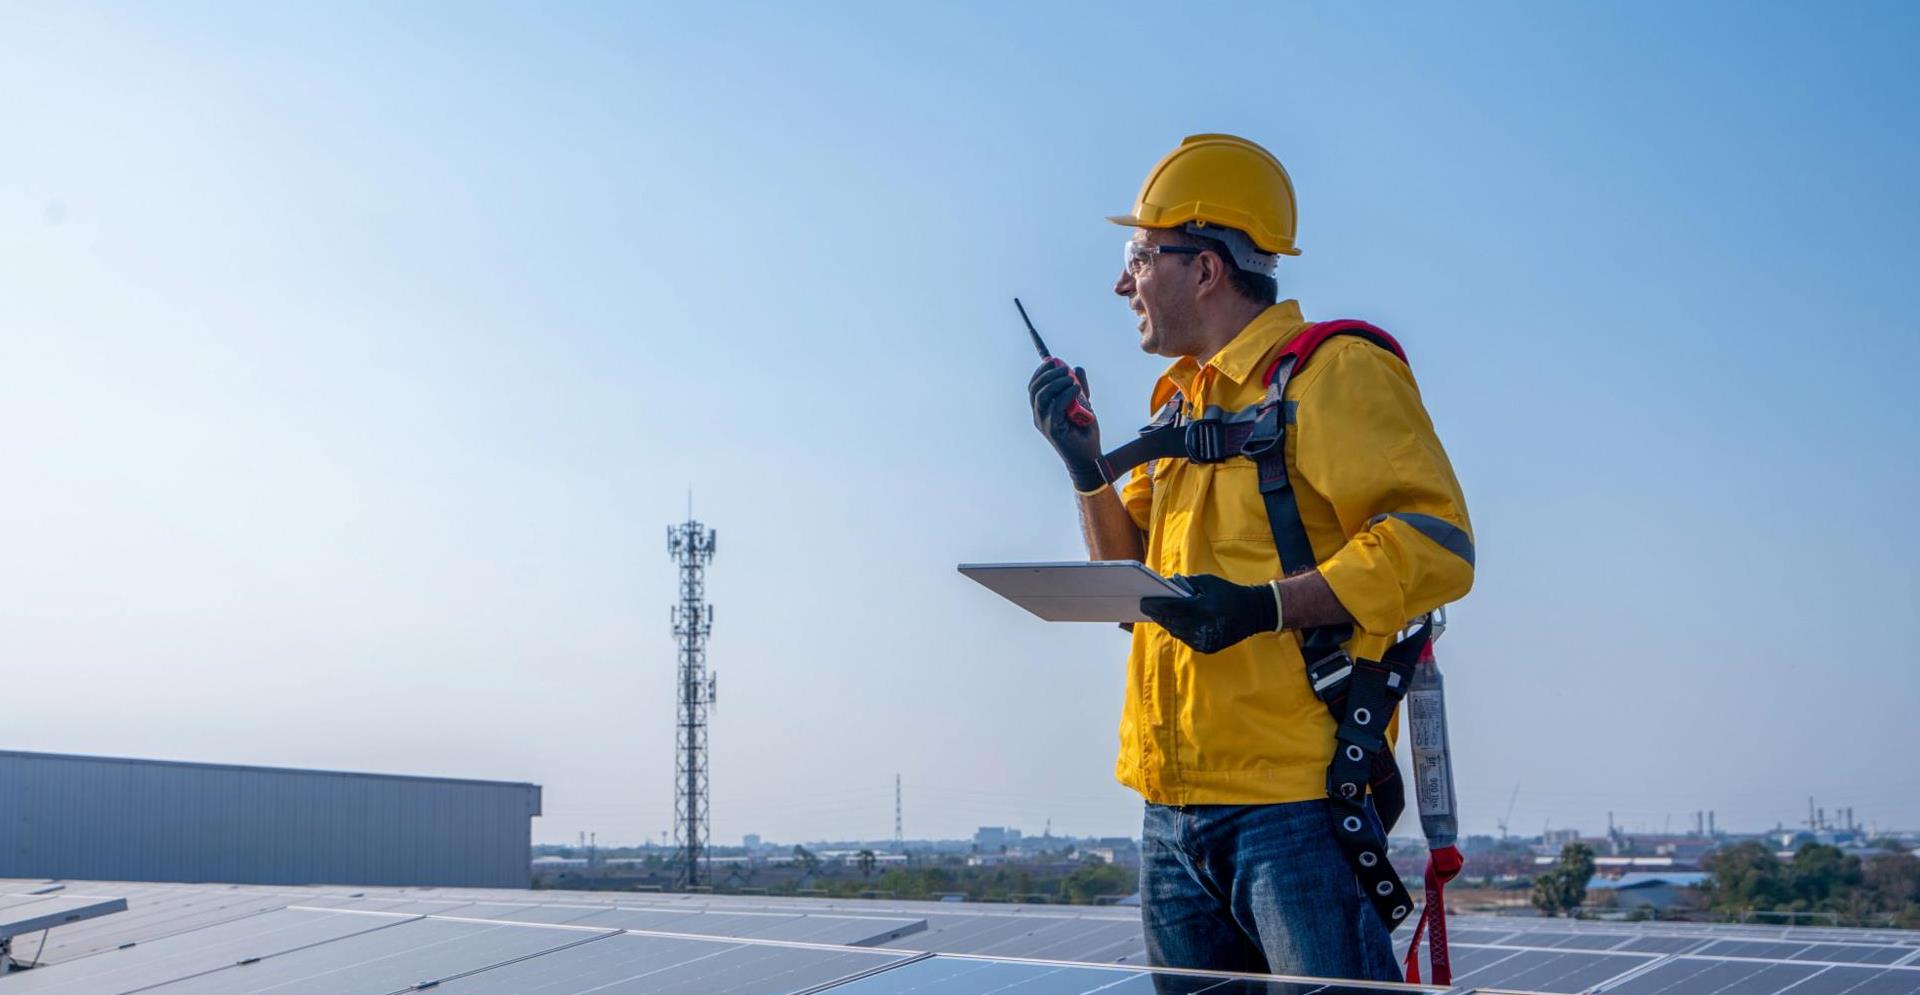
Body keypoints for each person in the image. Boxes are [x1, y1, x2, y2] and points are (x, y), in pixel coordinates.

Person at [1026, 133, 1474, 983]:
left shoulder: (1333, 375)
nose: (1124, 283)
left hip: (1292, 811)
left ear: (1206, 268)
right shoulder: (1181, 401)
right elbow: (1134, 594)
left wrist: (1263, 604)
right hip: (1169, 812)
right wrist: (1084, 468)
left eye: (1140, 256)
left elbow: (1437, 543)